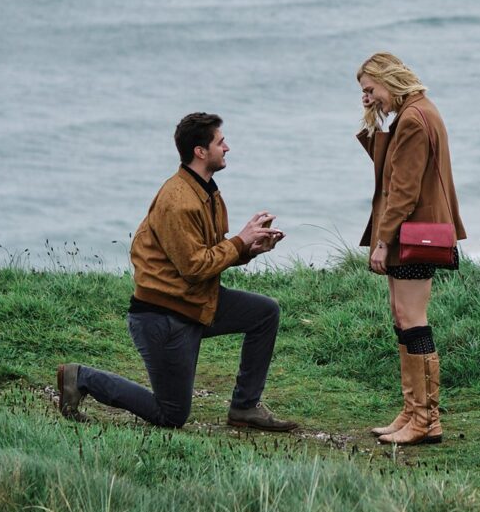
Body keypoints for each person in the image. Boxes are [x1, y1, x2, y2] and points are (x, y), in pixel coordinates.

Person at [56, 112, 298, 431]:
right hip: (164, 316)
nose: (227, 148)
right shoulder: (178, 200)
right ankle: (80, 377)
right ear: (200, 151)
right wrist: (240, 241)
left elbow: (208, 252)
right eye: (220, 142)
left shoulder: (207, 192)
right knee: (171, 416)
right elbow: (195, 267)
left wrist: (248, 249)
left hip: (195, 301)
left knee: (264, 313)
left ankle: (244, 407)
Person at [356, 52, 465, 445]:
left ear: (389, 78)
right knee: (402, 317)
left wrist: (383, 242)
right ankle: (412, 412)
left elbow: (403, 190)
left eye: (371, 90)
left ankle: (426, 420)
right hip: (412, 231)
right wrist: (376, 114)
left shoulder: (415, 119)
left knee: (412, 318)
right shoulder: (417, 111)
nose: (368, 98)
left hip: (412, 235)